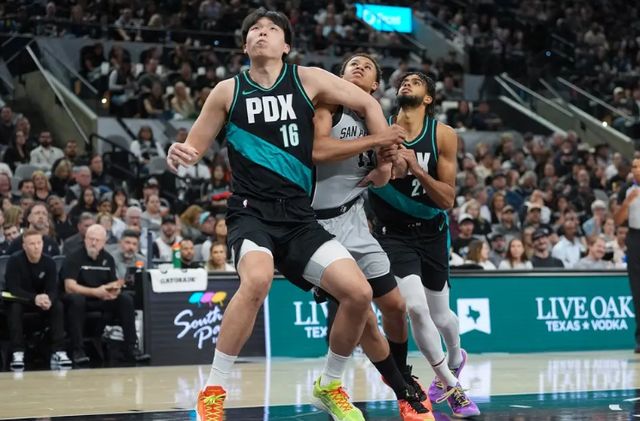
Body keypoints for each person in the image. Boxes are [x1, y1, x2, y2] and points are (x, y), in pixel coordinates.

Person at [166, 8, 399, 421]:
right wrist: (178, 152)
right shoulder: (226, 91)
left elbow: (367, 100)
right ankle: (213, 390)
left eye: (271, 29)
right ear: (245, 45)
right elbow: (193, 148)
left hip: (299, 218)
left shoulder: (307, 79)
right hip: (251, 212)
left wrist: (383, 154)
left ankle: (329, 385)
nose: (262, 33)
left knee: (359, 294)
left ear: (285, 45)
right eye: (254, 30)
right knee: (256, 280)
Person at [311, 53, 433, 419]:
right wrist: (376, 144)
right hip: (315, 225)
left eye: (367, 67)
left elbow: (393, 165)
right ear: (340, 75)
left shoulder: (375, 116)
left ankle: (401, 372)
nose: (359, 67)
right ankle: (401, 391)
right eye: (353, 64)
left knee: (396, 306)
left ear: (376, 85)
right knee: (362, 313)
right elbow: (318, 151)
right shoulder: (328, 106)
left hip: (353, 220)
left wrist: (388, 167)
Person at [368, 72, 480, 417]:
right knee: (415, 307)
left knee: (441, 314)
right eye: (404, 81)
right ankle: (451, 385)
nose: (407, 83)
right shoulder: (379, 127)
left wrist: (416, 169)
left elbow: (447, 199)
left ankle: (456, 356)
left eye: (416, 82)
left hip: (432, 231)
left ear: (428, 98)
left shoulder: (443, 135)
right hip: (392, 233)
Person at [62, 224, 149, 365]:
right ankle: (78, 350)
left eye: (97, 240)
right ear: (85, 239)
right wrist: (95, 292)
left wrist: (115, 290)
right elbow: (69, 286)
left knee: (125, 299)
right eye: (90, 239)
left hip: (101, 298)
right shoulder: (74, 257)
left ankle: (131, 348)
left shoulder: (108, 259)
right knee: (76, 300)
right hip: (82, 299)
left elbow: (112, 283)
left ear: (104, 242)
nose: (93, 243)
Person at [6, 229, 72, 371]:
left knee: (57, 305)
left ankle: (58, 351)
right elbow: (13, 289)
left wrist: (49, 299)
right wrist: (34, 298)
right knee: (14, 307)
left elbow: (53, 288)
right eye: (32, 244)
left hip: (41, 301)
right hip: (22, 299)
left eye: (39, 243)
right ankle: (18, 352)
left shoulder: (49, 262)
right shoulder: (14, 261)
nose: (36, 247)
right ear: (24, 246)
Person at [614, 157, 640, 351]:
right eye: (634, 166)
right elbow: (617, 220)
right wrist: (627, 203)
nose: (636, 169)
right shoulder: (626, 190)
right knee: (637, 290)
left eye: (639, 166)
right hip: (635, 237)